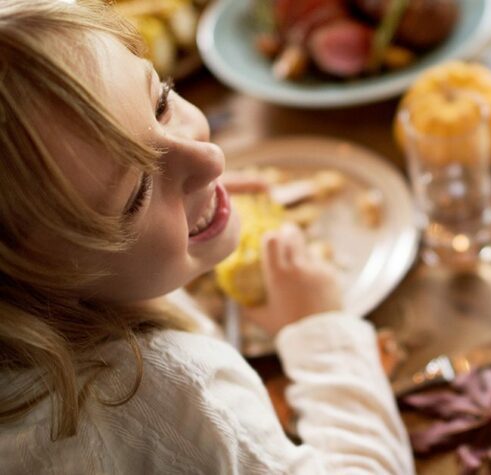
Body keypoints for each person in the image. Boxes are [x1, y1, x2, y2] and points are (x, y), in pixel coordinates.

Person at [0, 1, 414, 473]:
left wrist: (177, 215)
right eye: (136, 192)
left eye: (161, 102)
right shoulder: (167, 395)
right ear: (37, 274)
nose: (212, 158)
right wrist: (320, 329)